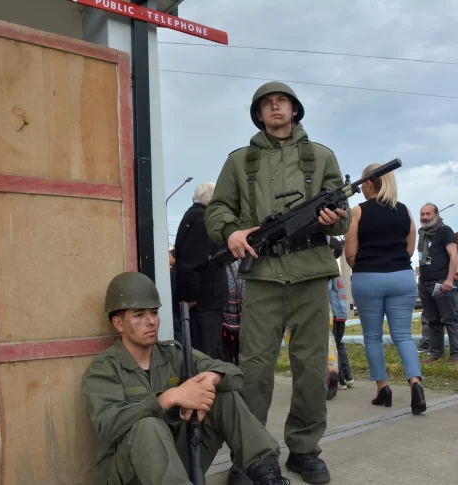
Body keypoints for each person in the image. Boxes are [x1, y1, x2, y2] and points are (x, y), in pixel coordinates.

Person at [206, 81, 351, 484]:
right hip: (264, 276)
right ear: (258, 114)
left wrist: (333, 219)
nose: (275, 108)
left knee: (309, 368)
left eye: (281, 102)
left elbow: (342, 214)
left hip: (310, 273)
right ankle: (250, 454)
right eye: (267, 104)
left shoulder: (321, 156)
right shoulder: (240, 161)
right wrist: (232, 233)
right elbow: (218, 209)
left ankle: (304, 450)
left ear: (294, 109)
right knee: (254, 370)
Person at [81, 272, 289, 485]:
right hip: (129, 474)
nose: (151, 322)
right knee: (147, 425)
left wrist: (212, 379)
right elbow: (108, 425)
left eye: (154, 312)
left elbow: (233, 374)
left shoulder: (173, 354)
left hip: (173, 469)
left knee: (222, 397)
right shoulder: (103, 369)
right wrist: (168, 398)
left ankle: (267, 473)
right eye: (139, 315)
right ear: (118, 323)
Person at [343, 163, 426, 415]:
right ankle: (415, 383)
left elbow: (350, 253)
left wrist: (367, 266)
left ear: (368, 183)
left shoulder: (358, 211)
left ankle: (383, 387)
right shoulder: (405, 211)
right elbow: (409, 249)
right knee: (403, 335)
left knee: (372, 336)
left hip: (368, 277)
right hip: (402, 277)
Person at [174, 182, 228, 359]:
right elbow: (192, 263)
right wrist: (190, 297)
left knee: (206, 349)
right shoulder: (203, 220)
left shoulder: (192, 216)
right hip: (204, 301)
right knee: (207, 354)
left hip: (202, 300)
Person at [417, 203, 458, 364]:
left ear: (436, 215)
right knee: (433, 320)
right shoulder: (423, 234)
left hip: (441, 281)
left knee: (449, 319)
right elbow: (423, 256)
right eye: (422, 214)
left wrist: (449, 279)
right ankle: (436, 353)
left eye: (428, 214)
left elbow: (454, 256)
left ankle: (455, 354)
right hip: (425, 282)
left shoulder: (445, 231)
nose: (424, 217)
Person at [327, 237, 353, 391]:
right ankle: (348, 376)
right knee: (339, 344)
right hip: (340, 313)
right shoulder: (335, 269)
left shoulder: (328, 270)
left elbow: (325, 291)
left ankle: (340, 378)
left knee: (333, 346)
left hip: (333, 313)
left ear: (331, 251)